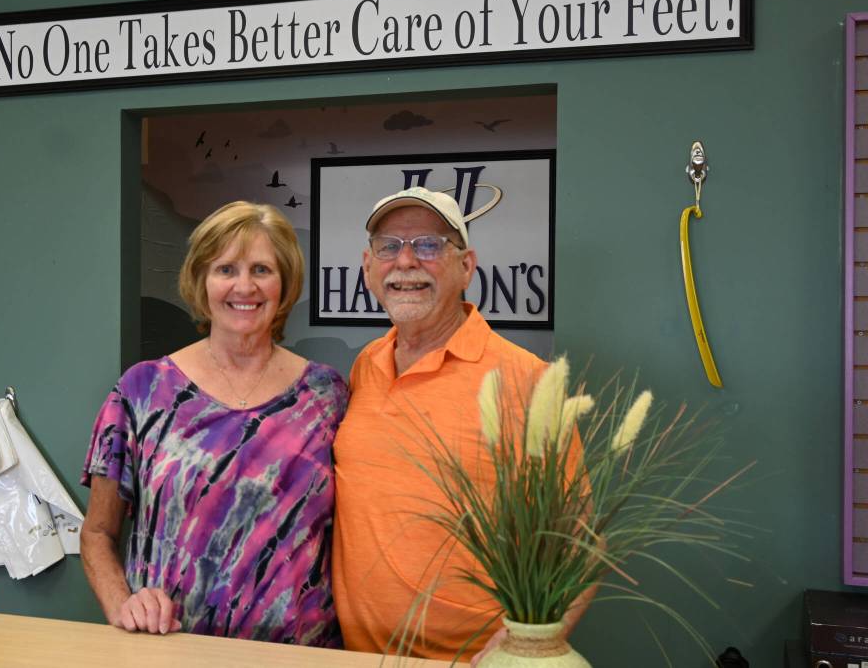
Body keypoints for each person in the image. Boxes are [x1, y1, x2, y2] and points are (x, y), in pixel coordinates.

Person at [332, 187, 589, 661]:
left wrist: (519, 648)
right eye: (389, 246)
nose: (405, 261)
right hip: (354, 656)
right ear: (368, 266)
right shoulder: (366, 366)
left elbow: (581, 542)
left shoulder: (526, 379)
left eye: (428, 245)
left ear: (466, 266)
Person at [80, 201, 348, 646]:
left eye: (261, 269)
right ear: (201, 282)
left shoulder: (326, 396)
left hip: (300, 656)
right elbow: (96, 533)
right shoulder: (142, 391)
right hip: (169, 648)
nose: (244, 286)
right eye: (226, 269)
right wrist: (123, 603)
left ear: (285, 283)